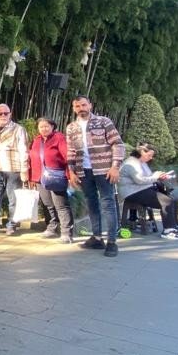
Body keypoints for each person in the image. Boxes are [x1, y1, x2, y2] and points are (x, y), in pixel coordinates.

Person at [66, 95, 125, 257]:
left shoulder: (103, 121)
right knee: (91, 204)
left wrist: (115, 167)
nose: (81, 108)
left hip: (104, 170)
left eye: (84, 105)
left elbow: (117, 144)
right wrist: (71, 172)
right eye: (77, 106)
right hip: (83, 171)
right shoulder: (71, 127)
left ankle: (112, 242)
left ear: (90, 105)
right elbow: (70, 151)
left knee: (108, 204)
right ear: (73, 108)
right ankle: (97, 238)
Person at [118, 143, 178, 240]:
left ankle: (174, 227)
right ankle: (168, 231)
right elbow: (140, 180)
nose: (151, 158)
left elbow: (148, 177)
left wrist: (158, 176)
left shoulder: (142, 162)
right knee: (166, 201)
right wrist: (155, 177)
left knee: (174, 199)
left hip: (143, 189)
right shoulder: (131, 163)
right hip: (132, 192)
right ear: (142, 152)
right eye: (149, 155)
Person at [0, 104, 29, 236]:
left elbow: (24, 150)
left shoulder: (18, 129)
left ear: (10, 114)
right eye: (0, 113)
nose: (3, 115)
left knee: (13, 199)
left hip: (13, 168)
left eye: (6, 113)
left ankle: (12, 225)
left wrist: (24, 169)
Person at [29, 118, 74, 243]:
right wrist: (31, 177)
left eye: (46, 126)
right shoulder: (36, 140)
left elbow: (67, 157)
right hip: (39, 177)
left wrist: (70, 175)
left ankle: (66, 232)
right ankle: (52, 227)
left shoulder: (59, 138)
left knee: (61, 205)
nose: (44, 129)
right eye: (41, 126)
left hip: (56, 177)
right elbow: (31, 159)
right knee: (47, 204)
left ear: (53, 126)